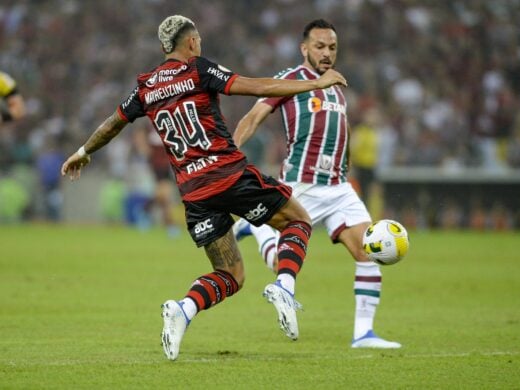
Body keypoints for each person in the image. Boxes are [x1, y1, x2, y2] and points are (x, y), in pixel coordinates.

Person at [61, 15, 347, 361]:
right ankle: (285, 286)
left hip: (194, 193)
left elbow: (112, 124)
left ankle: (182, 310)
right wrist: (315, 84)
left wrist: (82, 152)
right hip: (228, 176)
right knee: (297, 221)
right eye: (199, 41)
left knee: (231, 274)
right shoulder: (199, 70)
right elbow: (258, 88)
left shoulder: (146, 86)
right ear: (192, 43)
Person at [233, 19, 401, 349]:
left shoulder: (337, 86)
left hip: (339, 188)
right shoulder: (289, 80)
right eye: (320, 47)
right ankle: (257, 227)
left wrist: (347, 162)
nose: (326, 53)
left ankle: (363, 334)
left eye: (332, 47)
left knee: (368, 252)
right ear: (304, 48)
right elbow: (253, 117)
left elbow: (342, 129)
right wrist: (229, 157)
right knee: (277, 262)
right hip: (302, 185)